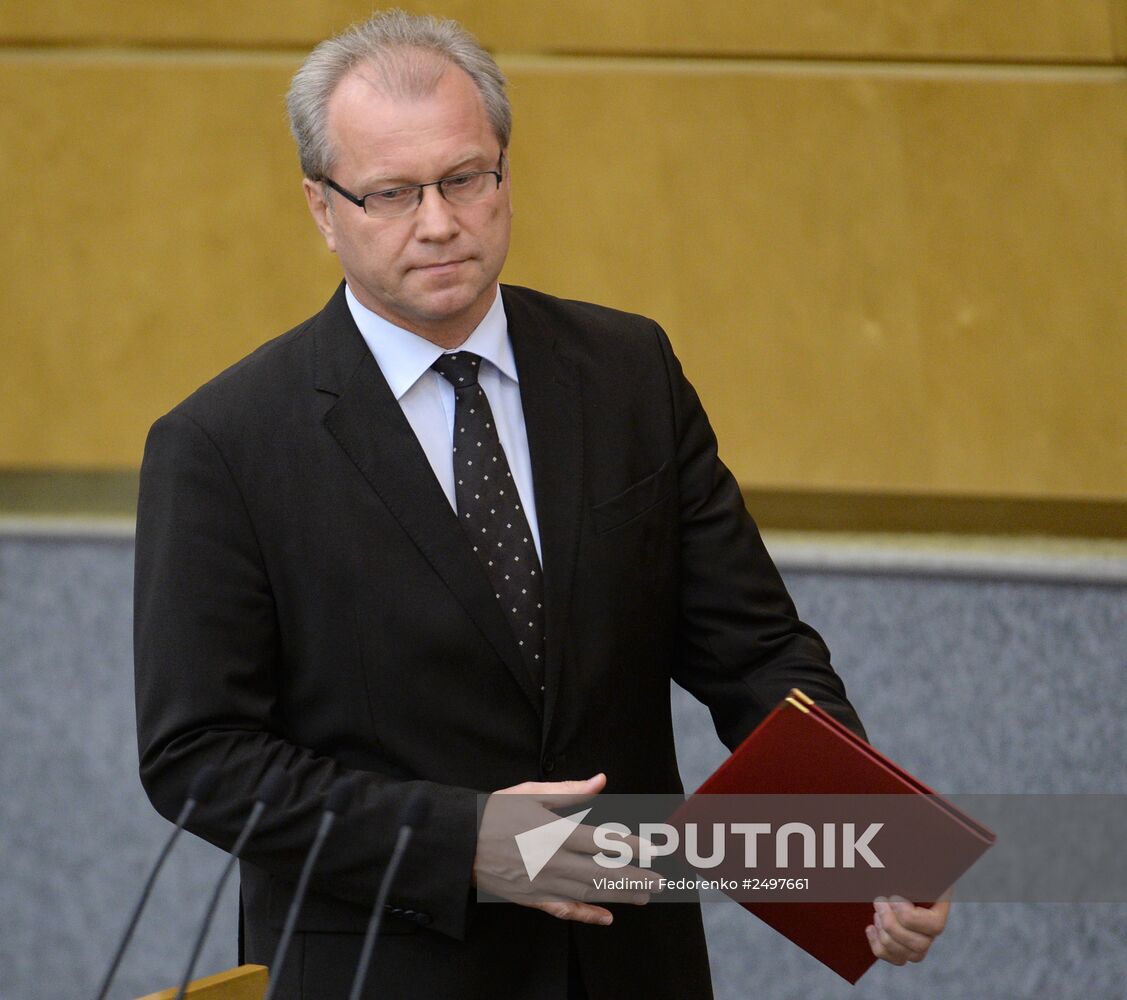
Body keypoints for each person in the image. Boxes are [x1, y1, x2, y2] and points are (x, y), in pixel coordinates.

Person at [133, 11, 947, 998]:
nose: (437, 222)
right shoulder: (222, 444)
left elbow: (752, 649)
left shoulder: (626, 372)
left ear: (504, 174)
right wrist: (467, 841)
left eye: (464, 178)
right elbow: (201, 758)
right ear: (321, 204)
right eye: (390, 192)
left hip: (630, 963)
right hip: (386, 970)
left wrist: (863, 839)